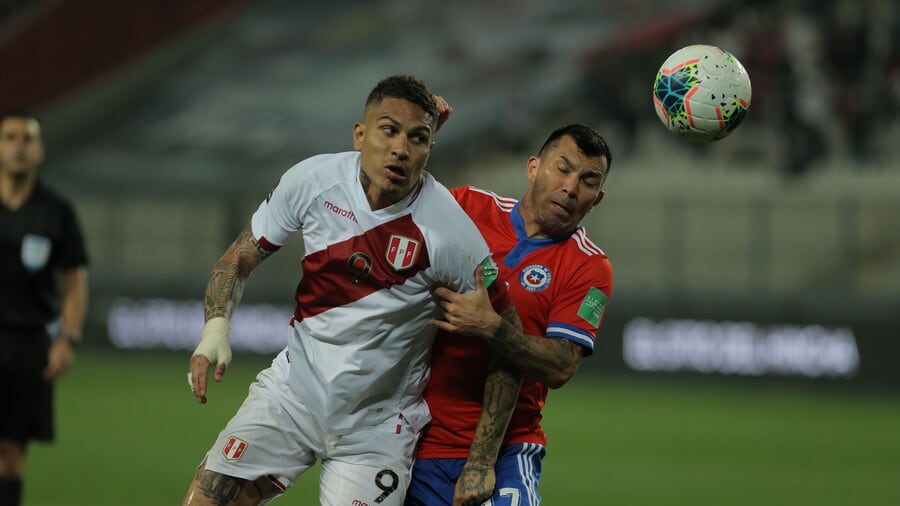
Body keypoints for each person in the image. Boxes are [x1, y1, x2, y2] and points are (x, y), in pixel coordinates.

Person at [182, 75, 522, 506]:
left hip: (376, 430)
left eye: (417, 138)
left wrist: (482, 459)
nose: (401, 148)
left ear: (430, 149)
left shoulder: (452, 233)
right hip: (291, 398)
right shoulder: (312, 181)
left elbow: (508, 339)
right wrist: (215, 329)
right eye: (389, 130)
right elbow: (239, 257)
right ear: (360, 135)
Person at [406, 123, 614, 506]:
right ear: (533, 167)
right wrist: (419, 130)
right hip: (415, 437)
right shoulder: (468, 207)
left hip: (507, 449)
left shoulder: (589, 267)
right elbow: (396, 212)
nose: (570, 187)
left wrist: (493, 328)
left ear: (596, 199)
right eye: (563, 168)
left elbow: (560, 366)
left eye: (588, 181)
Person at [0, 110, 89, 506]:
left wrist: (67, 339)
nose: (18, 146)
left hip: (27, 344)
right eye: (9, 137)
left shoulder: (55, 211)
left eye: (27, 138)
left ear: (39, 150)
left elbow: (75, 281)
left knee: (11, 454)